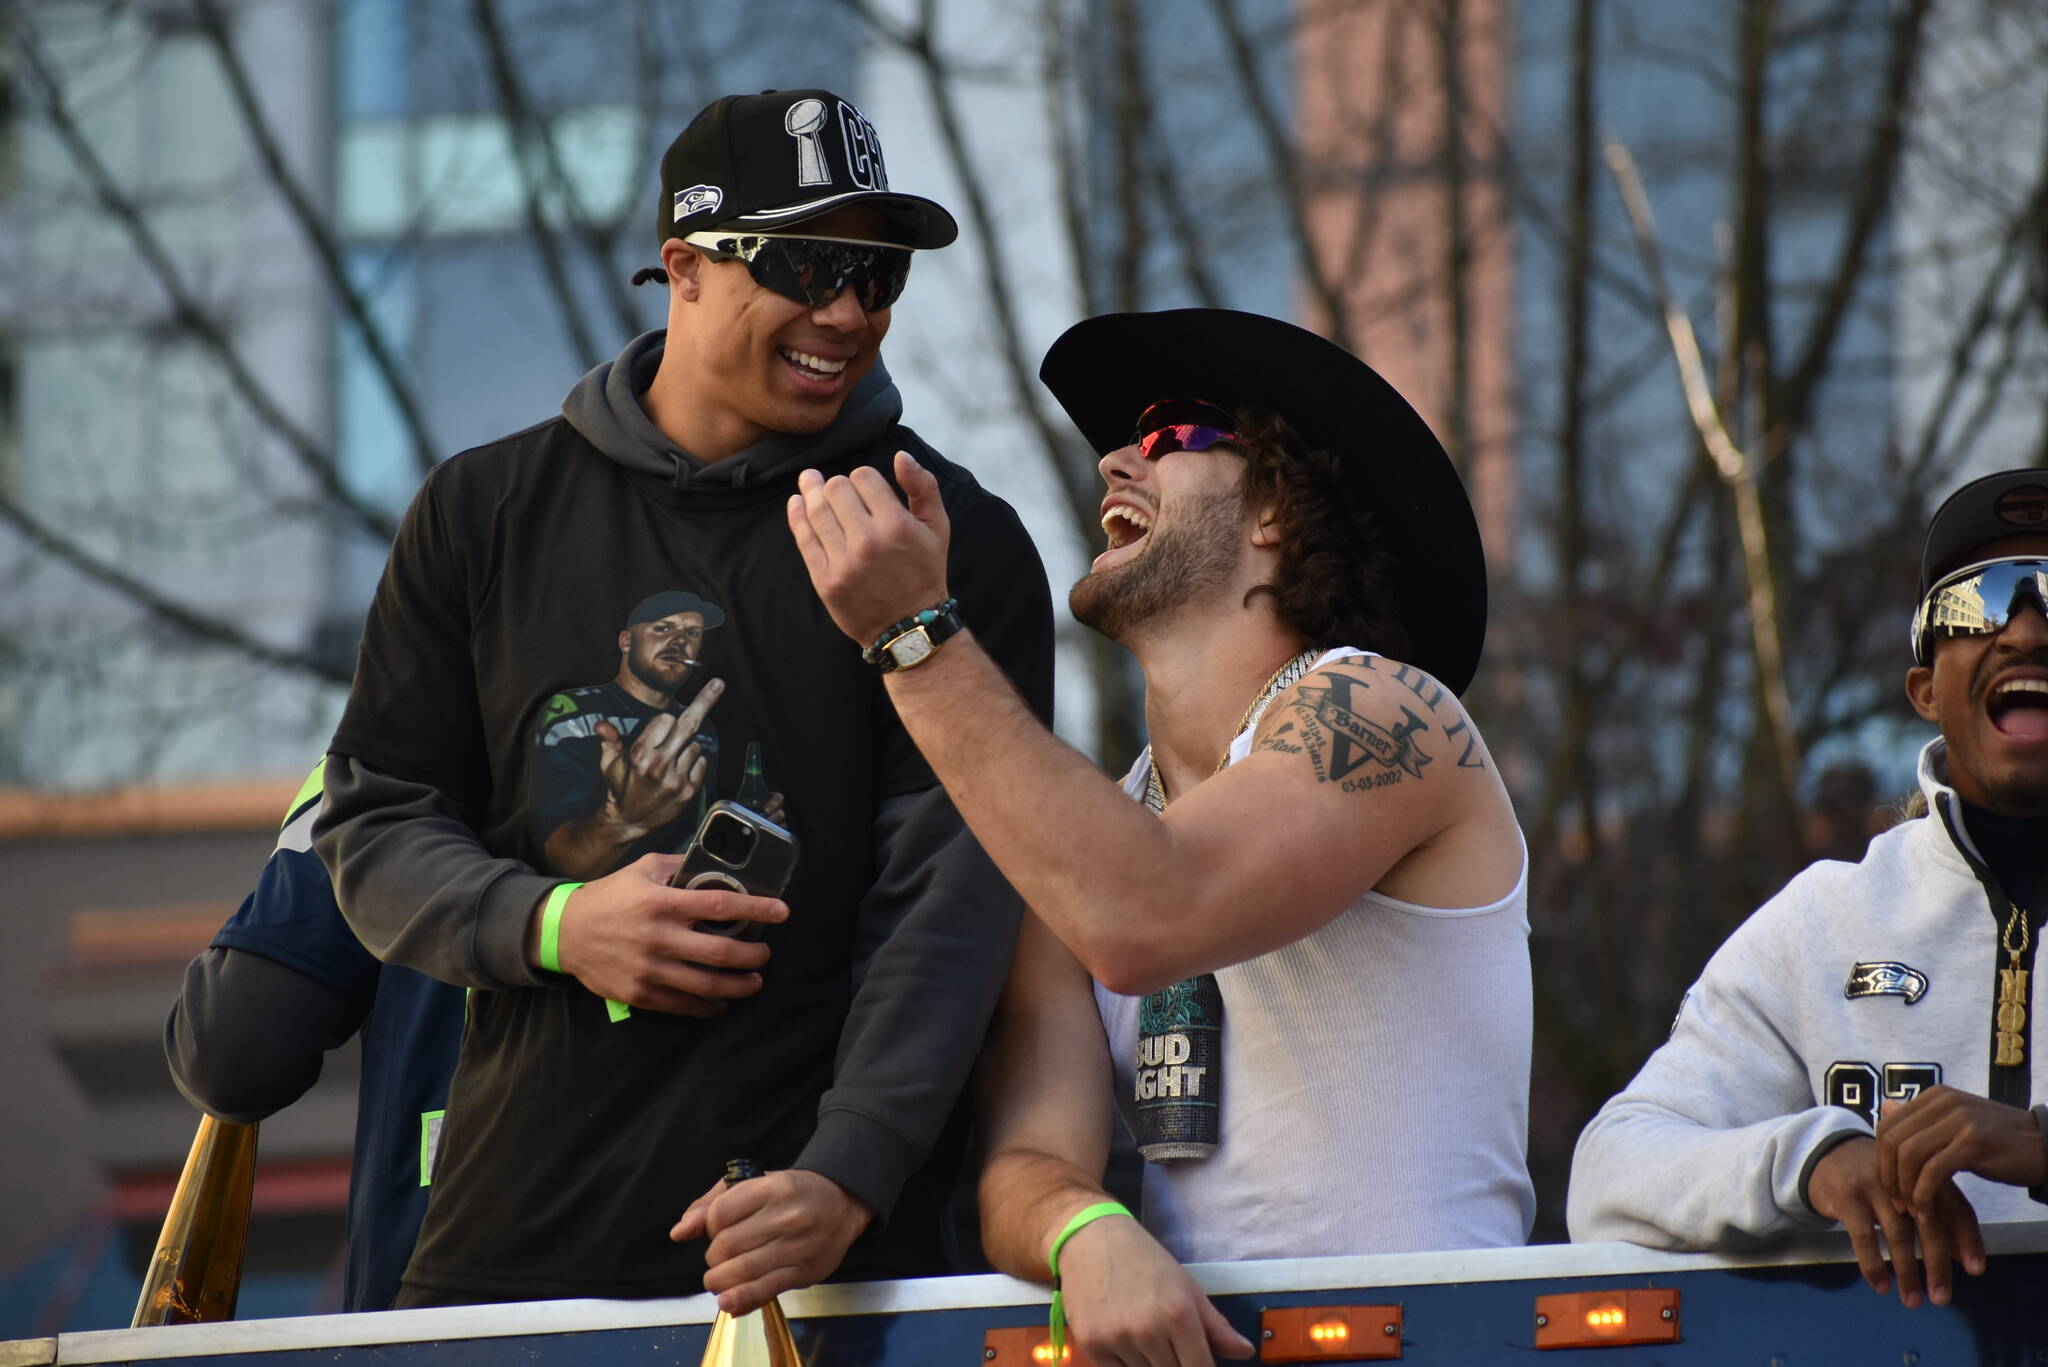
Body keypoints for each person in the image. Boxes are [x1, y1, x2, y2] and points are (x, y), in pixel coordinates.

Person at [313, 88, 1053, 1310]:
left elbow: (951, 897)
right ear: (685, 266)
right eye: (806, 264)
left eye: (877, 273)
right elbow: (375, 819)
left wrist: (849, 1170)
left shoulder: (941, 537)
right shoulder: (483, 512)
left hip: (824, 1263)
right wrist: (559, 923)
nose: (847, 311)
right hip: (509, 1252)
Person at [786, 308, 1535, 1365]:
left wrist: (914, 638)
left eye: (1171, 434)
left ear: (1276, 508)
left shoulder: (1385, 710)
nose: (1113, 462)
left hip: (1437, 1345)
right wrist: (1082, 1229)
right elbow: (1029, 1163)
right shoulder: (1092, 836)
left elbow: (1149, 912)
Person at [1569, 468, 2048, 1309]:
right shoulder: (1824, 920)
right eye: (1980, 600)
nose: (2028, 628)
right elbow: (1610, 1175)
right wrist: (1812, 1160)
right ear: (1924, 690)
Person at [165, 761, 465, 1313]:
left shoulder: (398, 748)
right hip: (639, 1275)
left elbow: (232, 1053)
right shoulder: (647, 756)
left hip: (442, 1282)